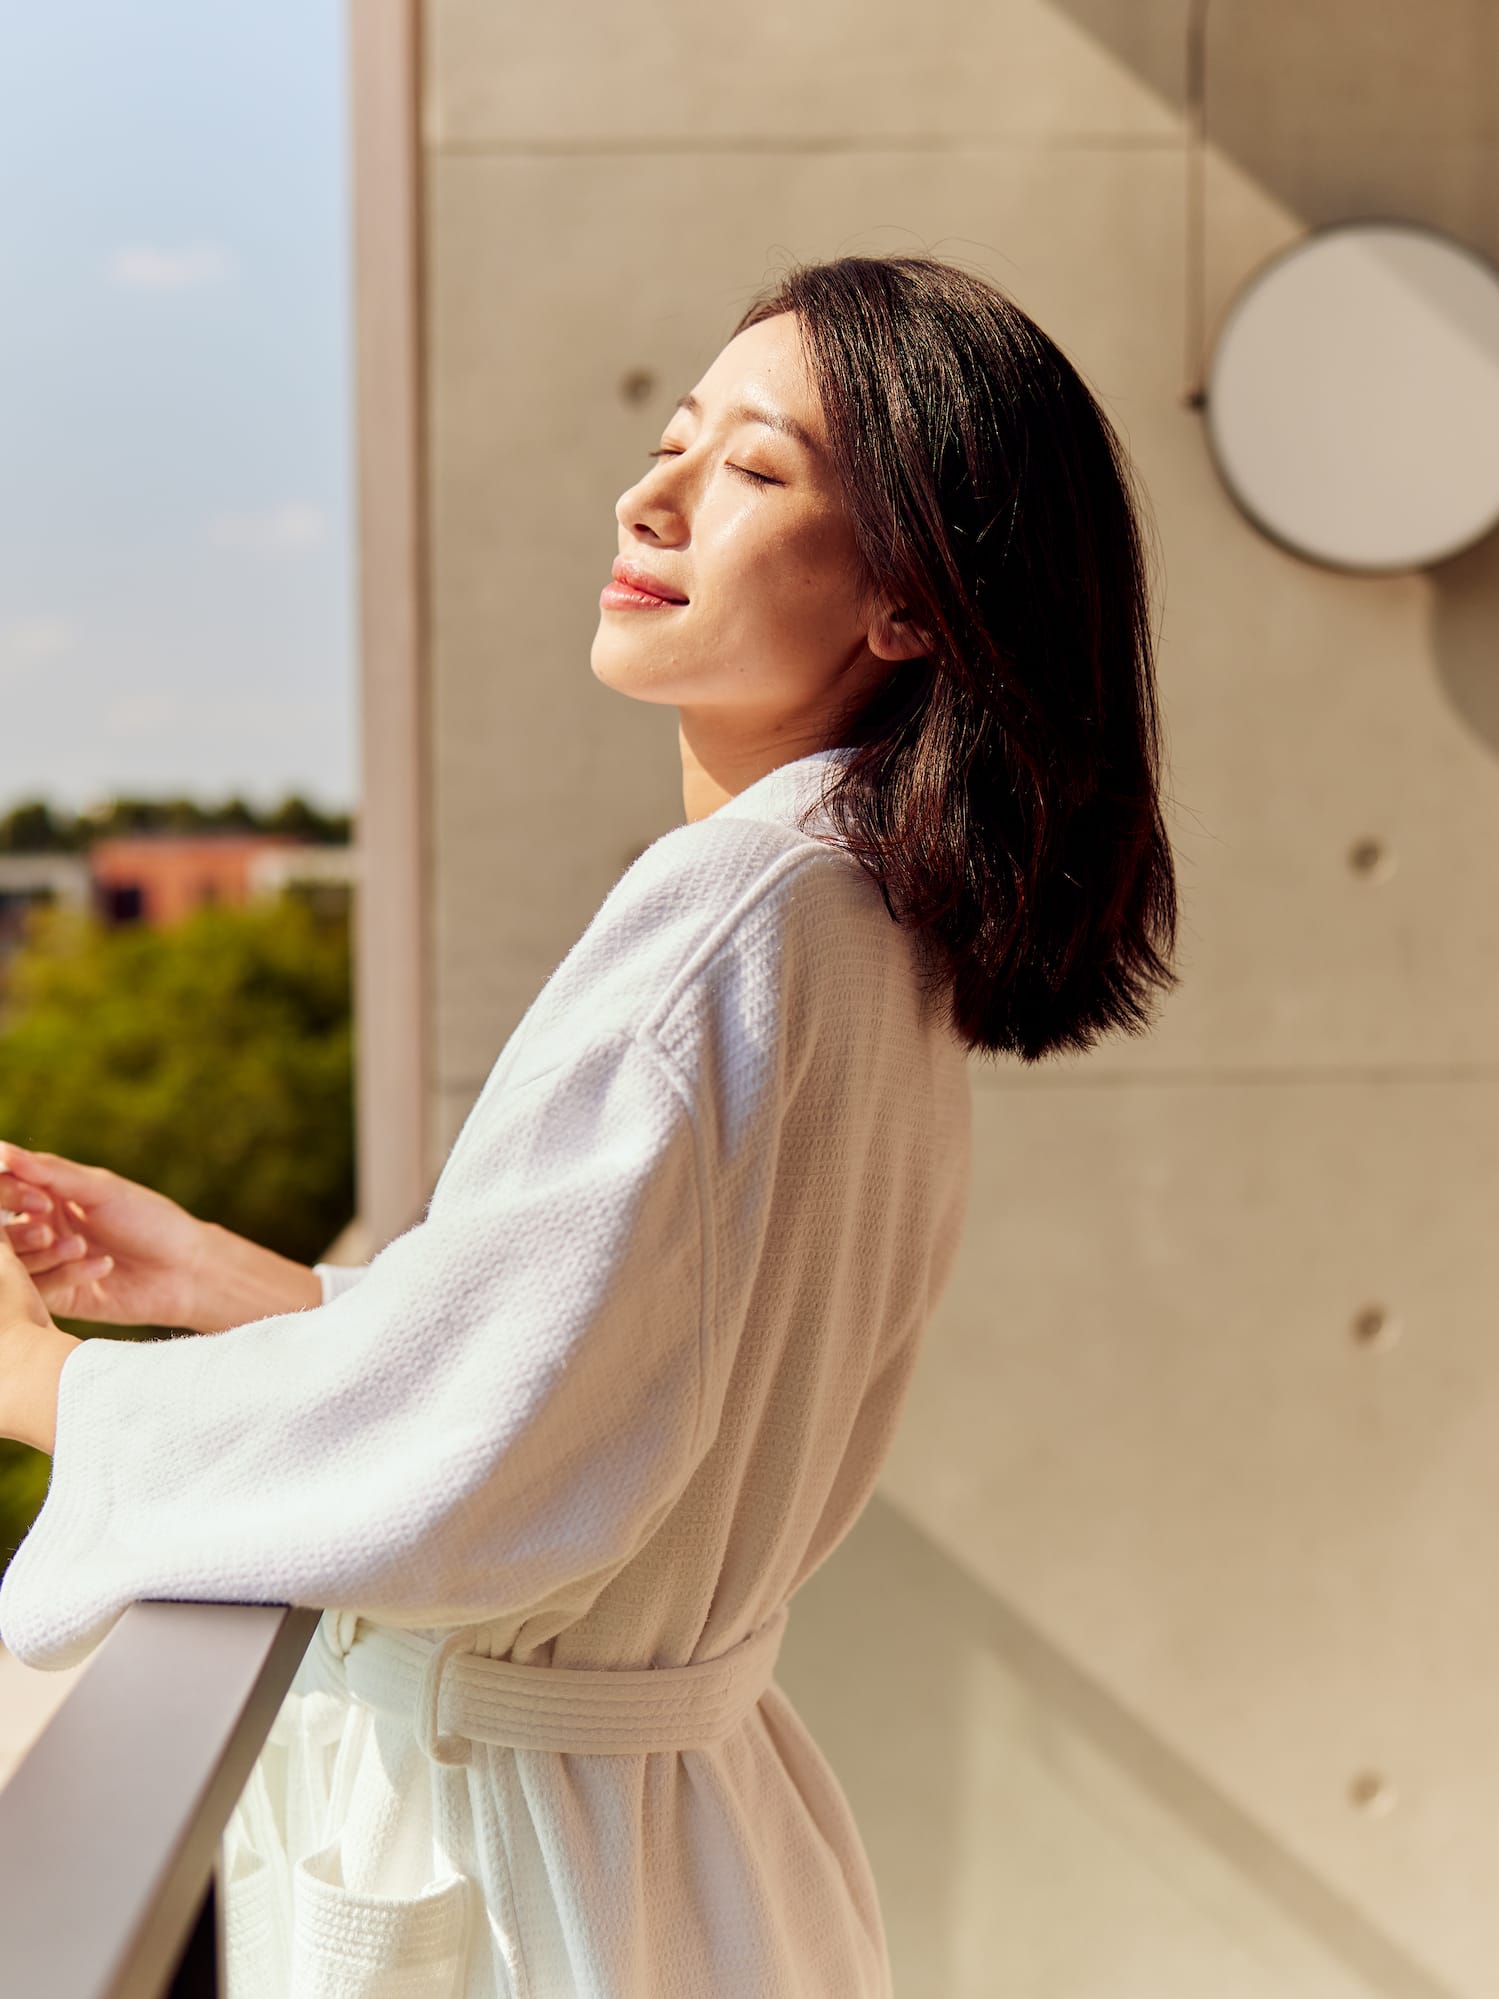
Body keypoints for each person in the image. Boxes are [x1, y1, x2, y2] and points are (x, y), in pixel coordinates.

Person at [0, 253, 1178, 1997]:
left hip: (535, 1872)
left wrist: (38, 1382)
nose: (652, 495)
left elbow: (487, 1470)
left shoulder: (728, 916)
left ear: (914, 603)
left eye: (756, 472)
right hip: (670, 1847)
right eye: (674, 439)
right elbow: (610, 1372)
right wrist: (240, 1285)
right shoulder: (865, 917)